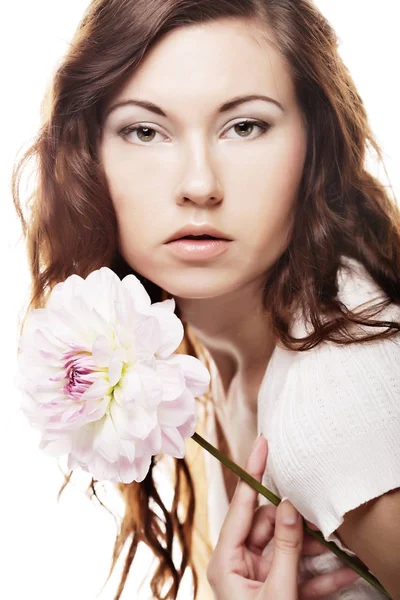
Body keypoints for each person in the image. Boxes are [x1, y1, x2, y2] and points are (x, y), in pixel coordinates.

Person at [12, 0, 400, 599]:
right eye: (146, 131)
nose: (199, 185)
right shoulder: (212, 351)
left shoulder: (335, 403)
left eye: (244, 126)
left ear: (315, 144)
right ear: (88, 157)